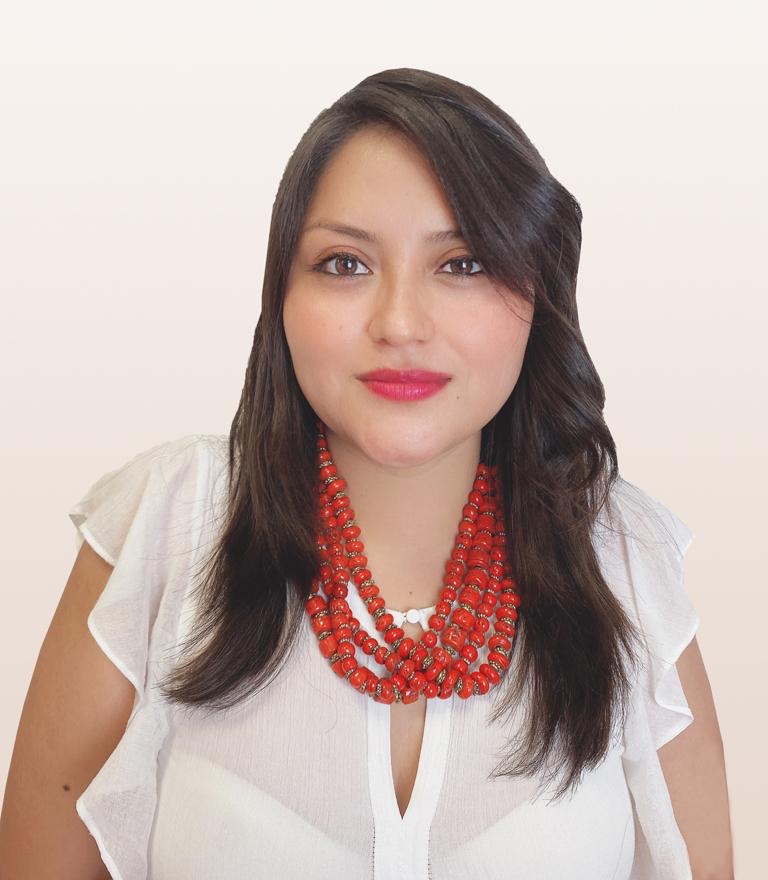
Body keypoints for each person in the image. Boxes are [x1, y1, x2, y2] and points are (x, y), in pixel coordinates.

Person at [0, 68, 733, 879]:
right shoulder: (169, 523)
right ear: (280, 295)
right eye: (345, 263)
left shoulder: (624, 557)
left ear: (538, 291)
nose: (400, 324)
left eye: (463, 263)